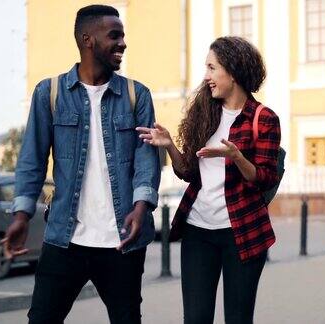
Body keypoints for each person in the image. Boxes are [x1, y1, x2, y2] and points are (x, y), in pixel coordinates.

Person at [2, 5, 160, 323]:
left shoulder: (136, 95)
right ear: (88, 40)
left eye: (123, 35)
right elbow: (32, 159)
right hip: (65, 238)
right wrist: (21, 214)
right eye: (114, 35)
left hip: (122, 241)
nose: (123, 43)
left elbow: (147, 158)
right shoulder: (51, 93)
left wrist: (141, 206)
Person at [137, 36, 280, 324]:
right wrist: (169, 146)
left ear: (233, 70)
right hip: (198, 231)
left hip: (241, 233)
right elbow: (189, 172)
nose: (207, 76)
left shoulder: (263, 118)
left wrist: (238, 157)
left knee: (238, 319)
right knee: (196, 318)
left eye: (213, 68)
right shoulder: (205, 112)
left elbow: (264, 178)